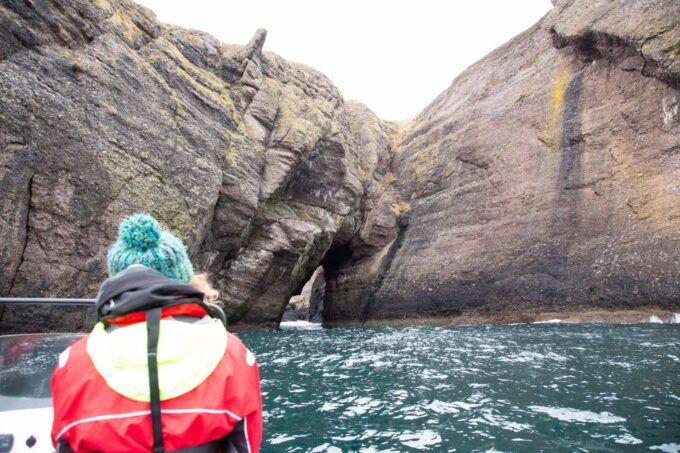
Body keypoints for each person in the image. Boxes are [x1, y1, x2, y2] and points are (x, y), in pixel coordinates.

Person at [50, 214, 263, 452]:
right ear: (184, 279)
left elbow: (63, 442)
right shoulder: (232, 353)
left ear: (118, 281)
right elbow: (244, 444)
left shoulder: (73, 362)